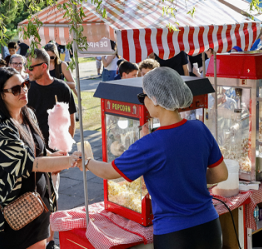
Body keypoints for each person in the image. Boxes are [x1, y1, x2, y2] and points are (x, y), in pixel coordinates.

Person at [77, 67, 228, 249]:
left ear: (155, 99)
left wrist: (87, 162)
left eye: (143, 96)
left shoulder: (150, 144)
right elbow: (221, 174)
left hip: (174, 235)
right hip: (210, 227)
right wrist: (190, 179)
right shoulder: (199, 128)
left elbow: (110, 172)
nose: (143, 101)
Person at [0, 67, 80, 249]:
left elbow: (37, 152)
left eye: (25, 85)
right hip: (13, 210)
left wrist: (52, 155)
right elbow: (30, 163)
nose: (23, 91)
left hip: (36, 204)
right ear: (1, 95)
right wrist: (71, 160)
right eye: (16, 89)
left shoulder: (27, 114)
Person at [26, 48, 76, 249]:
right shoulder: (27, 90)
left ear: (44, 66)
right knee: (33, 196)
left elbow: (71, 120)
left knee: (52, 195)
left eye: (31, 67)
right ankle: (35, 238)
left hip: (56, 150)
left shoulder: (62, 88)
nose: (28, 71)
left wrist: (64, 151)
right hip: (34, 152)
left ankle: (51, 240)